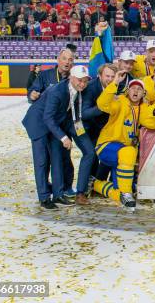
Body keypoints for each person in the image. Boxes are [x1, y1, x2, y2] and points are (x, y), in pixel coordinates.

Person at [93, 74, 149, 212]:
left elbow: (152, 121)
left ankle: (96, 184)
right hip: (107, 145)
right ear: (127, 91)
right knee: (128, 151)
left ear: (143, 94)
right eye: (133, 88)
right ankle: (126, 194)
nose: (135, 91)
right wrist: (115, 83)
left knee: (117, 190)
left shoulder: (143, 108)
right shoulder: (120, 101)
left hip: (123, 157)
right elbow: (102, 104)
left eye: (139, 89)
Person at [43, 65, 95, 205]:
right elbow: (48, 117)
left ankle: (80, 192)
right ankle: (59, 193)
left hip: (74, 123)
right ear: (71, 77)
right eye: (79, 80)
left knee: (90, 151)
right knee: (58, 157)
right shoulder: (57, 91)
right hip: (58, 126)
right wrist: (63, 137)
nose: (82, 84)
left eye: (85, 80)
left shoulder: (83, 89)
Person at [81, 63, 117, 179]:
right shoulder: (90, 88)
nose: (110, 79)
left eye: (112, 76)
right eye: (107, 76)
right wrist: (104, 106)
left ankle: (100, 181)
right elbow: (85, 113)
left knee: (110, 153)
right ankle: (89, 182)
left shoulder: (116, 86)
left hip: (106, 128)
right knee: (92, 156)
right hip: (90, 128)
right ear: (99, 76)